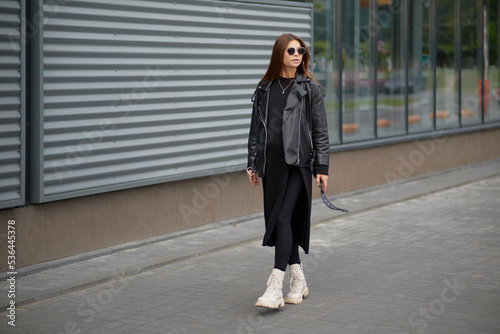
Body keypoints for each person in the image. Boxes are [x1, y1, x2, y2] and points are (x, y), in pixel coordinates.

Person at [246, 33, 330, 309]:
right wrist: (252, 161)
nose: (298, 55)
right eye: (292, 50)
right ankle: (299, 280)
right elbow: (256, 130)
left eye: (302, 51)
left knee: (283, 218)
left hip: (298, 165)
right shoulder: (265, 89)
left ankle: (274, 286)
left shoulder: (309, 89)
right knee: (284, 222)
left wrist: (322, 167)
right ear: (279, 54)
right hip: (272, 166)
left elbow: (320, 131)